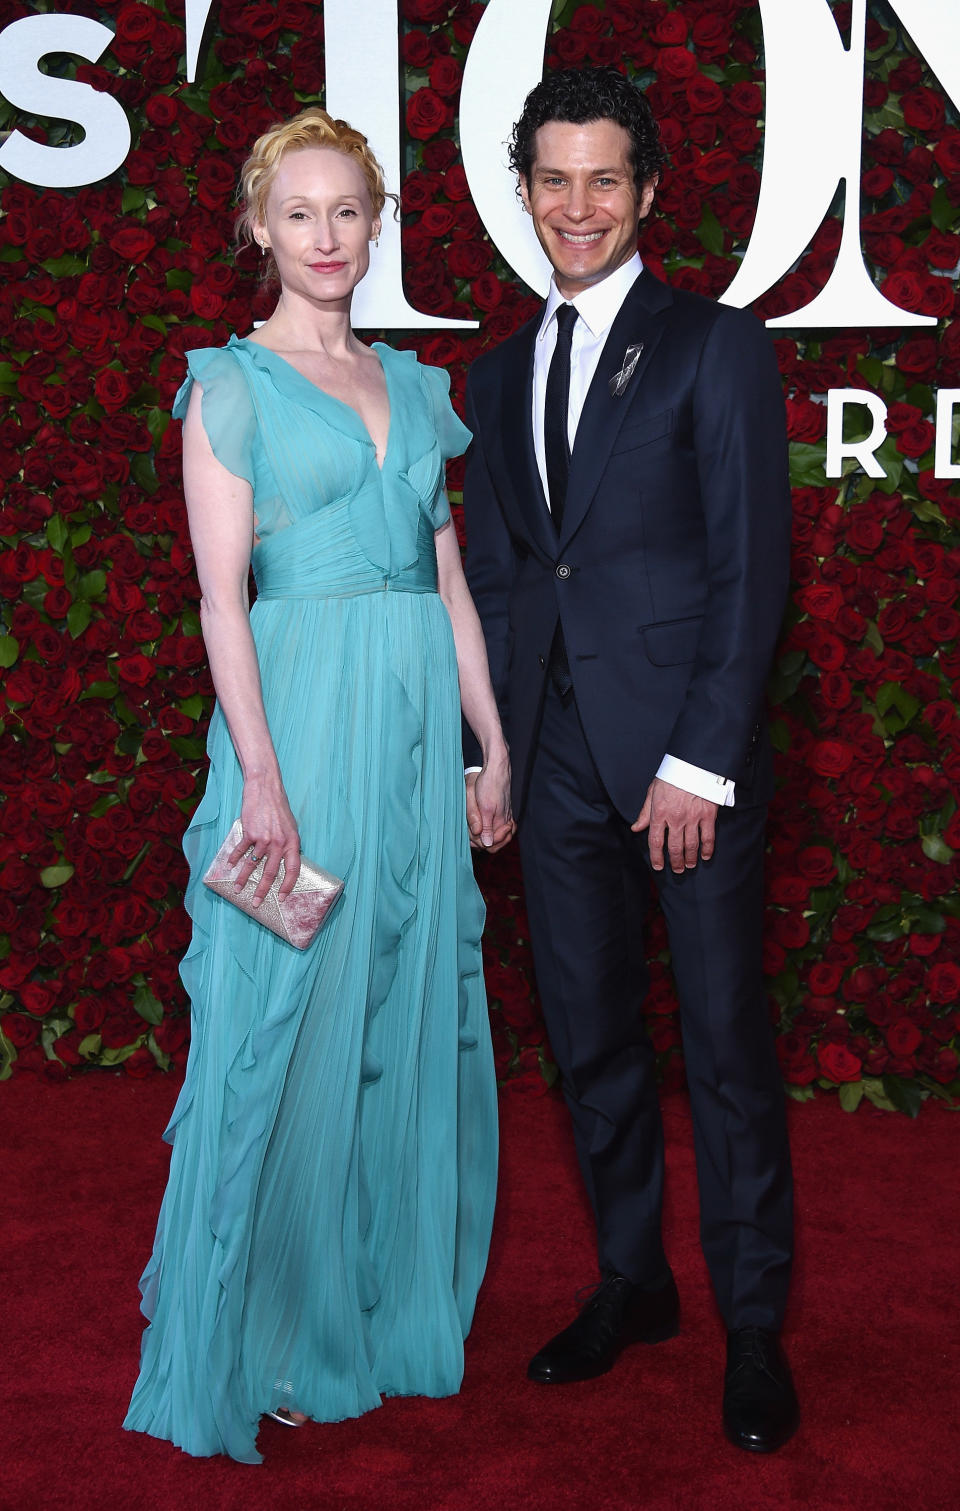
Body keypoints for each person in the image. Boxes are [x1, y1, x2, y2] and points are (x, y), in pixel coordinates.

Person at [124, 108, 512, 1464]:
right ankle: (272, 1332)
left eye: (348, 209)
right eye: (300, 213)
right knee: (288, 1021)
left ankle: (380, 1306)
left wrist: (493, 742)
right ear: (258, 228)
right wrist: (264, 785)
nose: (327, 235)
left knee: (407, 1006)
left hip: (415, 732)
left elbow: (451, 578)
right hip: (298, 723)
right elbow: (224, 604)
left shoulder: (416, 388)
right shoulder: (227, 387)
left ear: (376, 220)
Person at [462, 67, 797, 1453]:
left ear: (649, 193)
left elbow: (751, 571)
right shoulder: (494, 370)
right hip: (549, 767)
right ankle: (633, 1281)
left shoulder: (716, 347)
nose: (579, 205)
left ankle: (757, 1326)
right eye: (555, 178)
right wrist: (491, 755)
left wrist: (700, 765)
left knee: (722, 1050)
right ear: (523, 191)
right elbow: (495, 578)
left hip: (682, 772)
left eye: (606, 178)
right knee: (592, 1043)